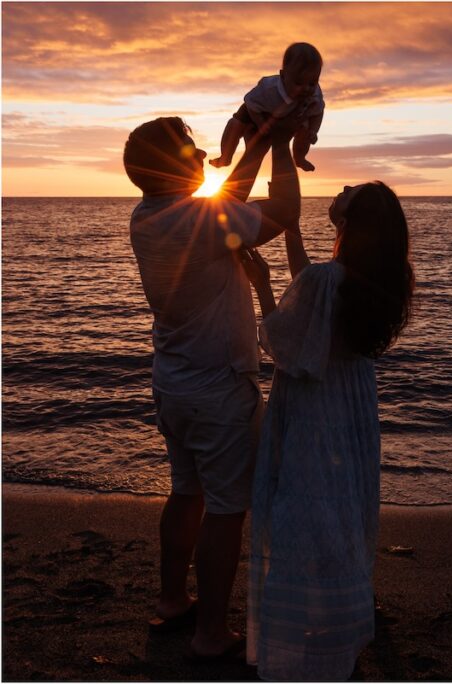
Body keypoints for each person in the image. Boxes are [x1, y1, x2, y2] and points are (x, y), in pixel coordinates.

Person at [124, 115, 300, 659]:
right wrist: (280, 149)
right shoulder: (201, 218)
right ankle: (210, 634)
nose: (204, 156)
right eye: (194, 152)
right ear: (178, 168)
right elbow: (285, 213)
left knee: (186, 492)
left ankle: (174, 600)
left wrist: (257, 140)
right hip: (219, 387)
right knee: (226, 508)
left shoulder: (146, 216)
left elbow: (231, 203)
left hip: (173, 381)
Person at [241, 182, 414, 680]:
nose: (339, 188)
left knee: (305, 506)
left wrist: (261, 285)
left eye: (348, 190)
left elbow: (288, 343)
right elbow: (315, 295)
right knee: (343, 503)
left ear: (352, 220)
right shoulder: (381, 278)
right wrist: (292, 228)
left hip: (315, 406)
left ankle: (304, 631)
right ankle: (348, 608)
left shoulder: (328, 279)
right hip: (354, 402)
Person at [210, 42, 325, 172]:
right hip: (257, 111)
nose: (306, 88)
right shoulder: (269, 89)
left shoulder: (314, 94)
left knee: (305, 132)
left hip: (292, 114)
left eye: (312, 82)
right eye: (298, 82)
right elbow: (250, 103)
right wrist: (261, 123)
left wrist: (313, 131)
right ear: (283, 76)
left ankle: (300, 158)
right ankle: (225, 157)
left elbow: (318, 112)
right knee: (235, 124)